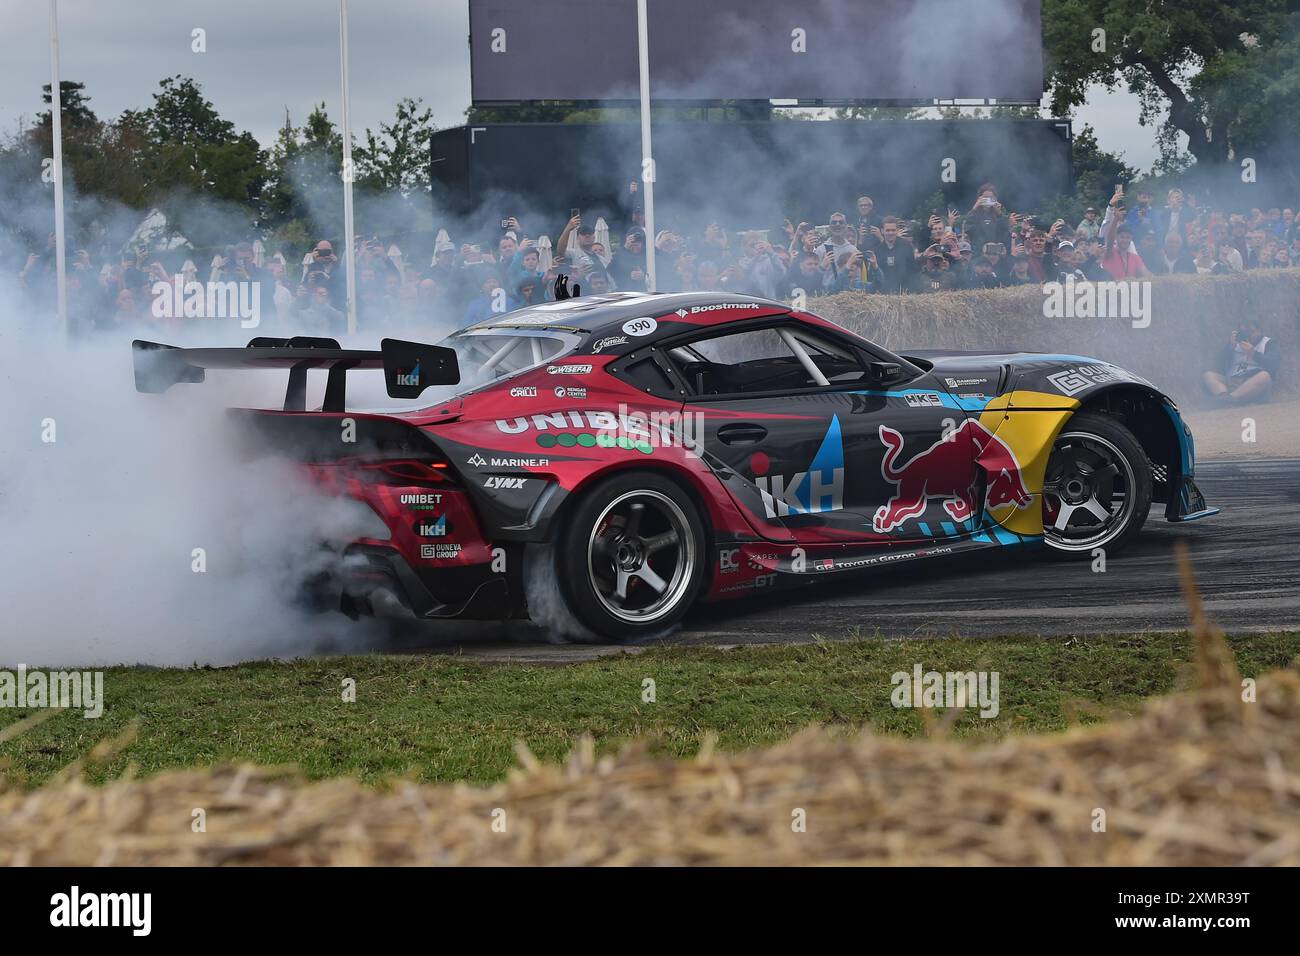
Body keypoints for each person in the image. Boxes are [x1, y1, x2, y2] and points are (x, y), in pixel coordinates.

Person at [1203, 322, 1280, 404]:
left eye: (1251, 331)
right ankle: (1225, 398)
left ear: (1259, 330)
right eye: (1244, 332)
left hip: (1253, 384)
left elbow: (1273, 365)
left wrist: (1254, 353)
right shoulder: (1235, 343)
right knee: (1208, 375)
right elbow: (1218, 365)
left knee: (1265, 376)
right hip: (1232, 381)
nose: (1248, 334)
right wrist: (1230, 347)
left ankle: (1228, 400)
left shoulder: (1269, 343)